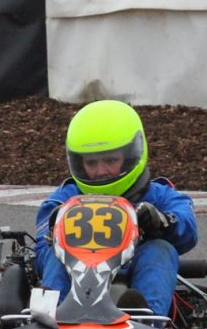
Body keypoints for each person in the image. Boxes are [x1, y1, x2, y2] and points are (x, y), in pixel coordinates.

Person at [34, 100, 198, 316]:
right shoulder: (67, 197)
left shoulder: (158, 195)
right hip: (75, 273)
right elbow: (41, 242)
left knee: (160, 249)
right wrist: (56, 227)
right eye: (91, 163)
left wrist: (162, 222)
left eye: (110, 160)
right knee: (54, 252)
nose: (101, 171)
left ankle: (145, 320)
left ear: (131, 156)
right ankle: (50, 319)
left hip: (131, 269)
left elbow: (187, 225)